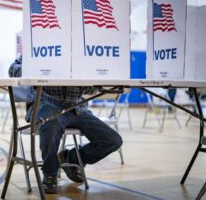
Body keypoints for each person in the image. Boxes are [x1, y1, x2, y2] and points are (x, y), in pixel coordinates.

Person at [9, 56, 123, 194]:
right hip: (46, 104)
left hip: (77, 107)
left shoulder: (82, 51)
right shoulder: (41, 45)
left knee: (113, 141)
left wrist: (93, 82)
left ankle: (72, 158)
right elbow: (12, 70)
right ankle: (50, 173)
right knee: (51, 123)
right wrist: (35, 69)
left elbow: (89, 90)